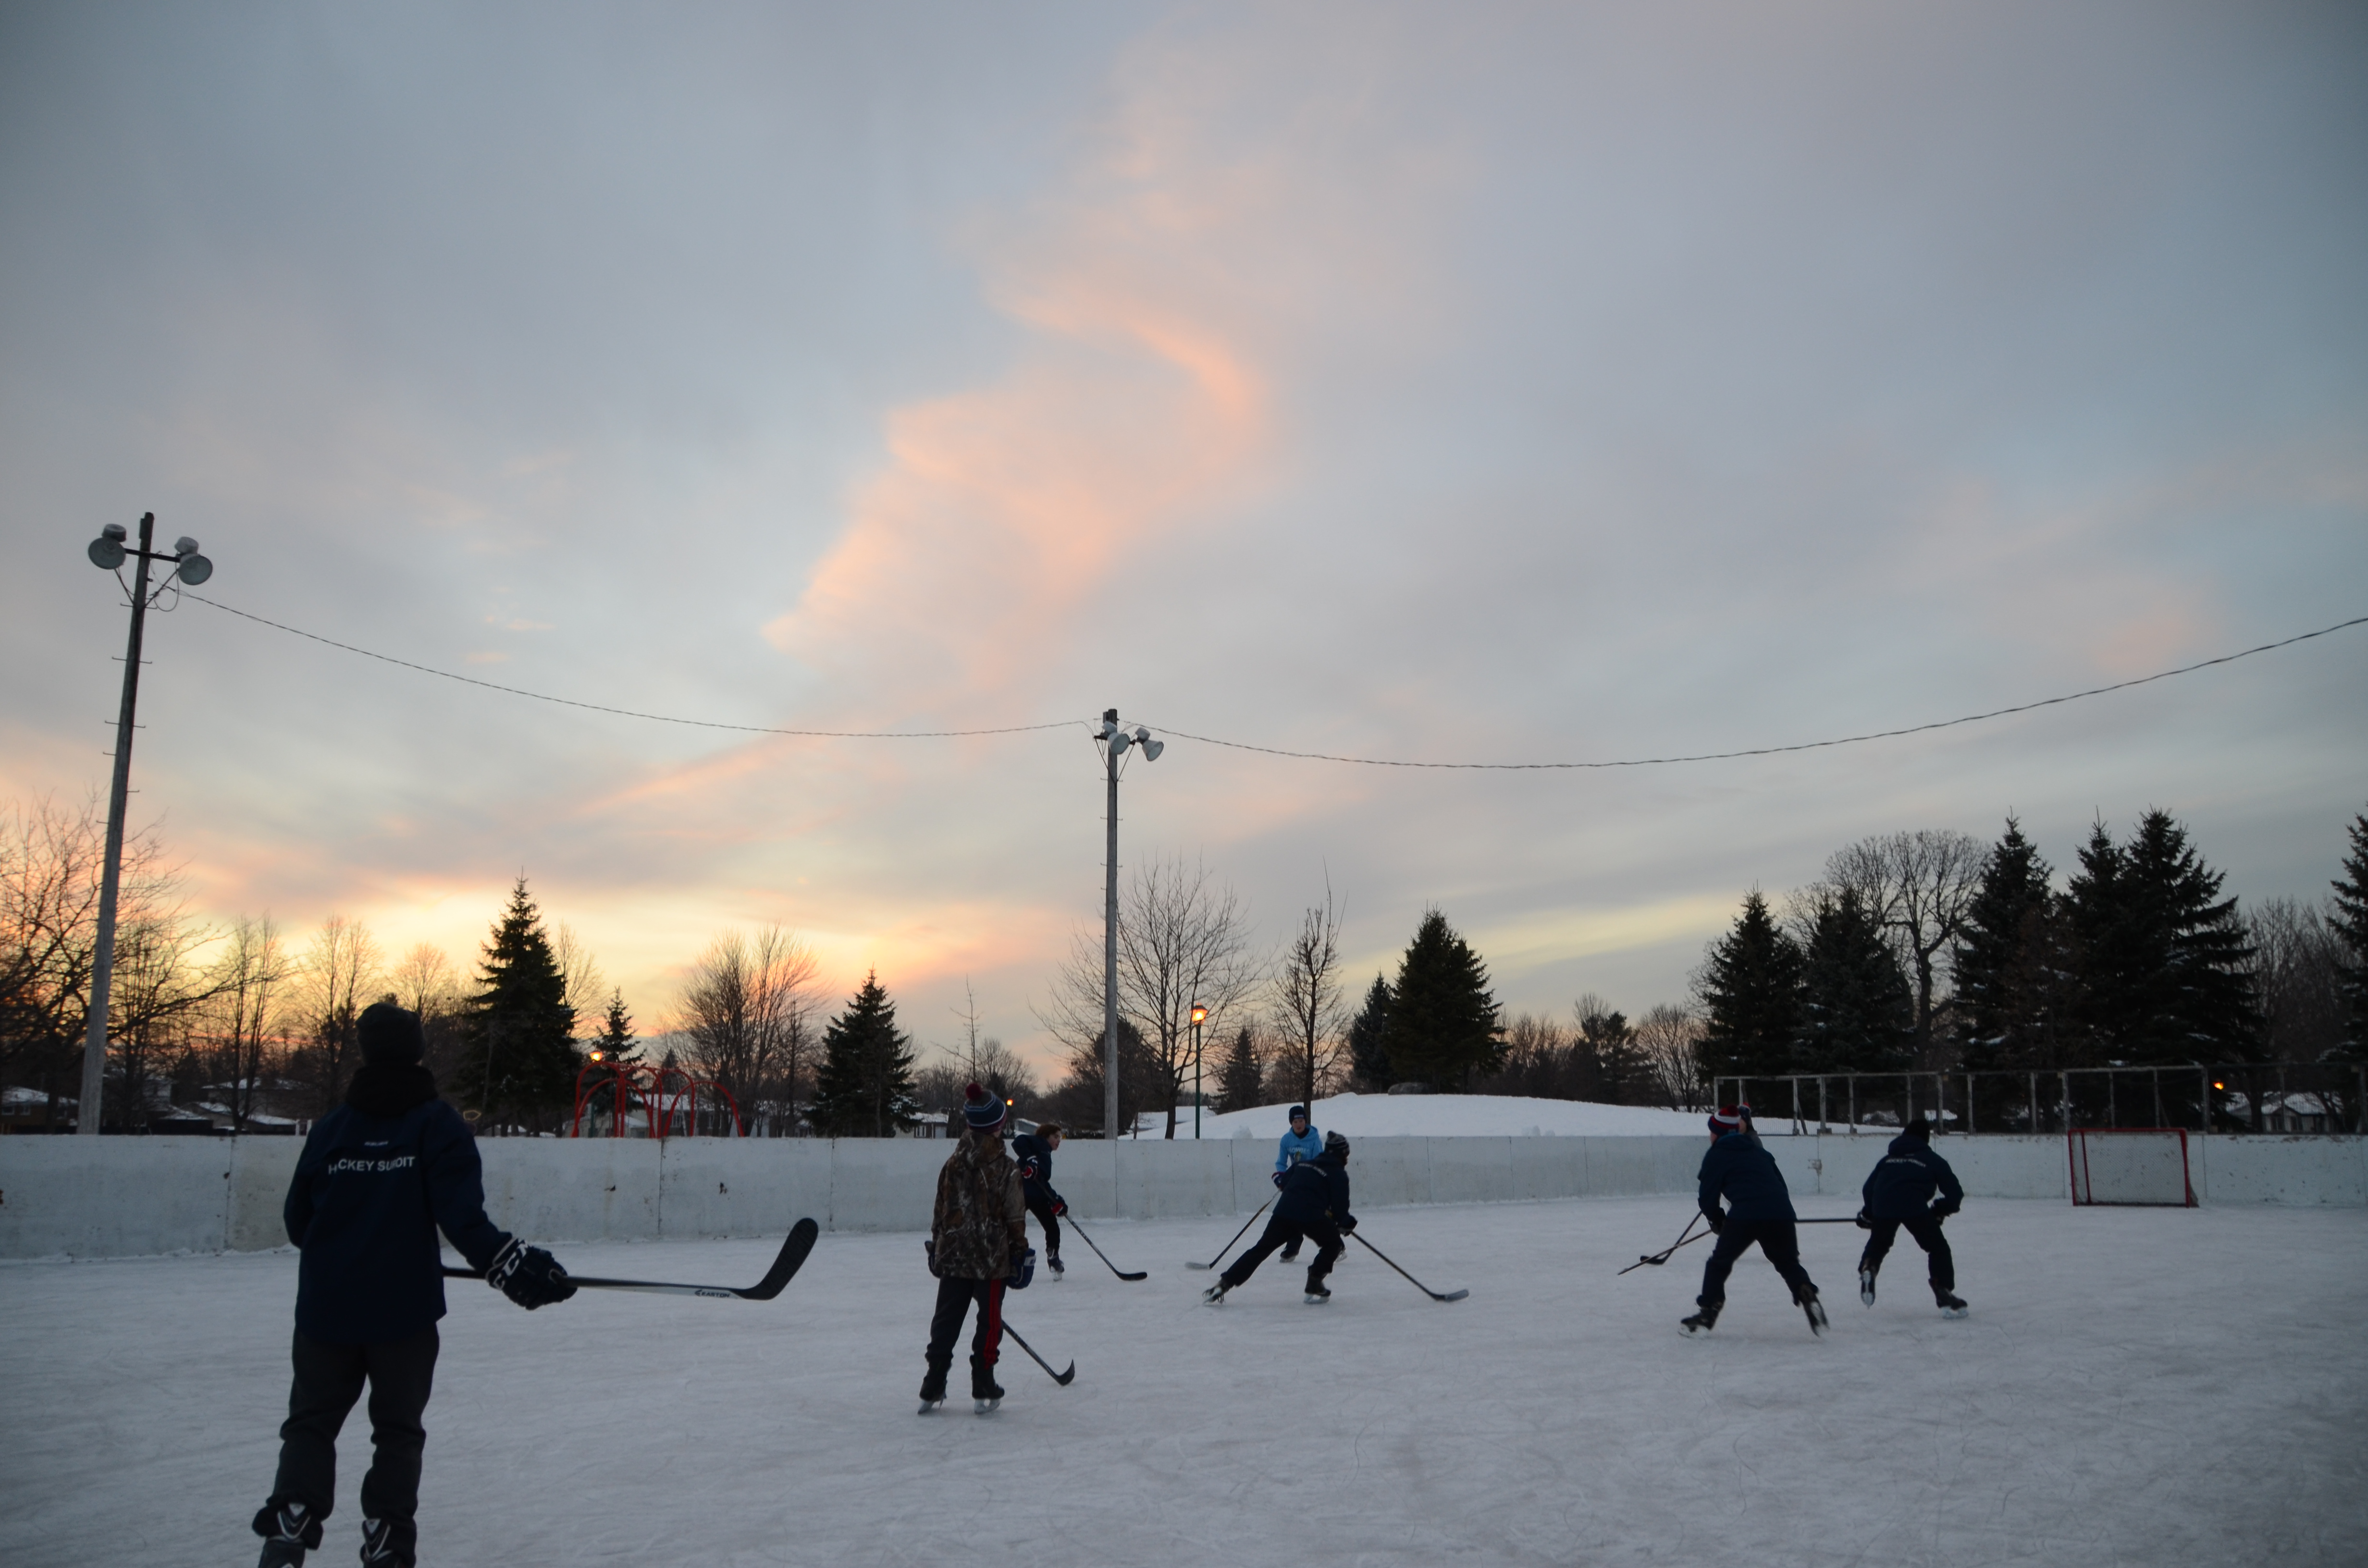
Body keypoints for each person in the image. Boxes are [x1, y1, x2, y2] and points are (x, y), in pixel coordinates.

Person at [252, 1002, 575, 1568]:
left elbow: (299, 1223)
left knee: (311, 1422)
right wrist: (517, 1268)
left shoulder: (331, 1128)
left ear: (364, 1050)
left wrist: (349, 1246)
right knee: (397, 1431)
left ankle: (291, 1519)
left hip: (326, 1308)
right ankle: (386, 1538)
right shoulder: (437, 1123)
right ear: (419, 1048)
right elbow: (462, 1219)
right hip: (402, 1314)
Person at [921, 1084, 1031, 1412]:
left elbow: (940, 1209)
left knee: (946, 1319)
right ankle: (983, 1380)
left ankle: (933, 1382)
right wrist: (1019, 1252)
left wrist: (937, 1247)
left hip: (953, 1255)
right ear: (998, 1126)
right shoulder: (1005, 1168)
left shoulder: (952, 1165)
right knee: (990, 1321)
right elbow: (1015, 1216)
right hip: (991, 1258)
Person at [1683, 1104, 1825, 1337]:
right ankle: (1805, 1289)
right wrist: (1780, 1213)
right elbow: (1780, 1186)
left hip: (1746, 1215)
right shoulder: (1760, 1152)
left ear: (1718, 1133)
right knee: (1788, 1262)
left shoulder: (1716, 1155)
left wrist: (1717, 1219)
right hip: (1781, 1213)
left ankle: (1708, 1310)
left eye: (1711, 1131)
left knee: (1719, 1263)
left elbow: (1708, 1197)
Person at [1205, 1130, 1356, 1305]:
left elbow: (1284, 1184)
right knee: (1334, 1245)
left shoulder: (1303, 1164)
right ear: (1341, 1154)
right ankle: (1315, 1281)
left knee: (1260, 1250)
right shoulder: (1338, 1174)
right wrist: (1347, 1224)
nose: (1347, 1158)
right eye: (1346, 1154)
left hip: (1284, 1212)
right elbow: (1340, 1211)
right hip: (1311, 1216)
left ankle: (1225, 1283)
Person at [1857, 1116, 1967, 1317]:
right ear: (1926, 1139)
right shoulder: (1933, 1160)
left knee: (1880, 1243)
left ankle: (1870, 1266)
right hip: (1914, 1207)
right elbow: (1955, 1194)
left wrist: (1869, 1213)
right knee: (1937, 1248)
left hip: (1884, 1205)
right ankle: (1942, 1289)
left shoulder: (1887, 1160)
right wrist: (1939, 1211)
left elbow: (1869, 1188)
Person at [1011, 1121, 1068, 1278]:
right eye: (1055, 1137)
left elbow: (1041, 1181)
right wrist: (1030, 1160)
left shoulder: (1046, 1153)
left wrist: (1056, 1201)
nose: (1058, 1141)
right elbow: (1018, 1142)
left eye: (1060, 1138)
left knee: (1052, 1227)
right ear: (1046, 1136)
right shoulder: (1040, 1142)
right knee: (1012, 1228)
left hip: (1034, 1195)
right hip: (1020, 1193)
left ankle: (1053, 1256)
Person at [1272, 1104, 1323, 1262]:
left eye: (1301, 1121)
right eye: (1295, 1122)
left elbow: (1319, 1162)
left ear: (1305, 1121)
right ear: (1291, 1124)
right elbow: (1281, 1162)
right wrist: (1281, 1177)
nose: (1299, 1124)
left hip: (1312, 1180)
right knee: (1292, 1213)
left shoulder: (1315, 1139)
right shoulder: (1287, 1140)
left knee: (1317, 1216)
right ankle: (1292, 1248)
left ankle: (1336, 1245)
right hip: (1295, 1180)